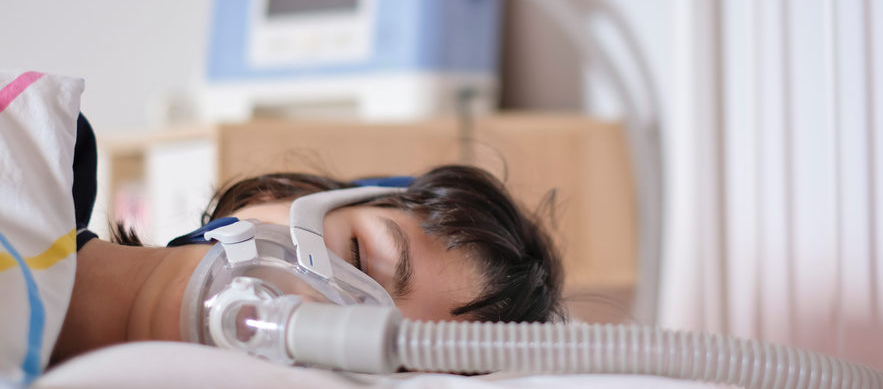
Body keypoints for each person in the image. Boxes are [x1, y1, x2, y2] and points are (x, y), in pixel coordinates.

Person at [52, 116, 565, 365]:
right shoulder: (44, 161)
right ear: (282, 192)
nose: (317, 308)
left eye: (370, 341)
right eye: (358, 255)